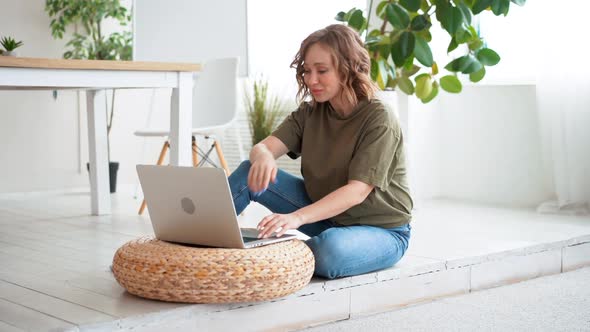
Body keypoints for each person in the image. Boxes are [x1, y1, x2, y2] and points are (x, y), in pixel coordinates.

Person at [229, 24, 413, 279]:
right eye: (307, 71)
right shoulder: (310, 112)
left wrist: (295, 218)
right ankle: (202, 235)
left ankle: (269, 255)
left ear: (348, 69)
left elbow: (357, 191)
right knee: (250, 171)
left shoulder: (379, 118)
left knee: (328, 251)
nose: (311, 80)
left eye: (322, 71)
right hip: (327, 215)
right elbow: (263, 147)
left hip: (382, 231)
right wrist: (264, 157)